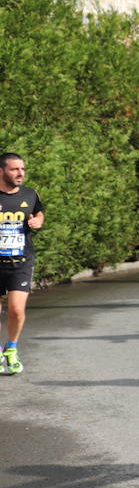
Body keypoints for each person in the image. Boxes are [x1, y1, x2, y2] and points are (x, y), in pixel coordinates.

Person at [0, 153, 44, 376]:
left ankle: (11, 348)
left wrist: (38, 221)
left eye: (22, 169)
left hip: (21, 261)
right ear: (1, 171)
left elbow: (39, 211)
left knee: (16, 310)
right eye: (15, 169)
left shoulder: (29, 193)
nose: (20, 174)